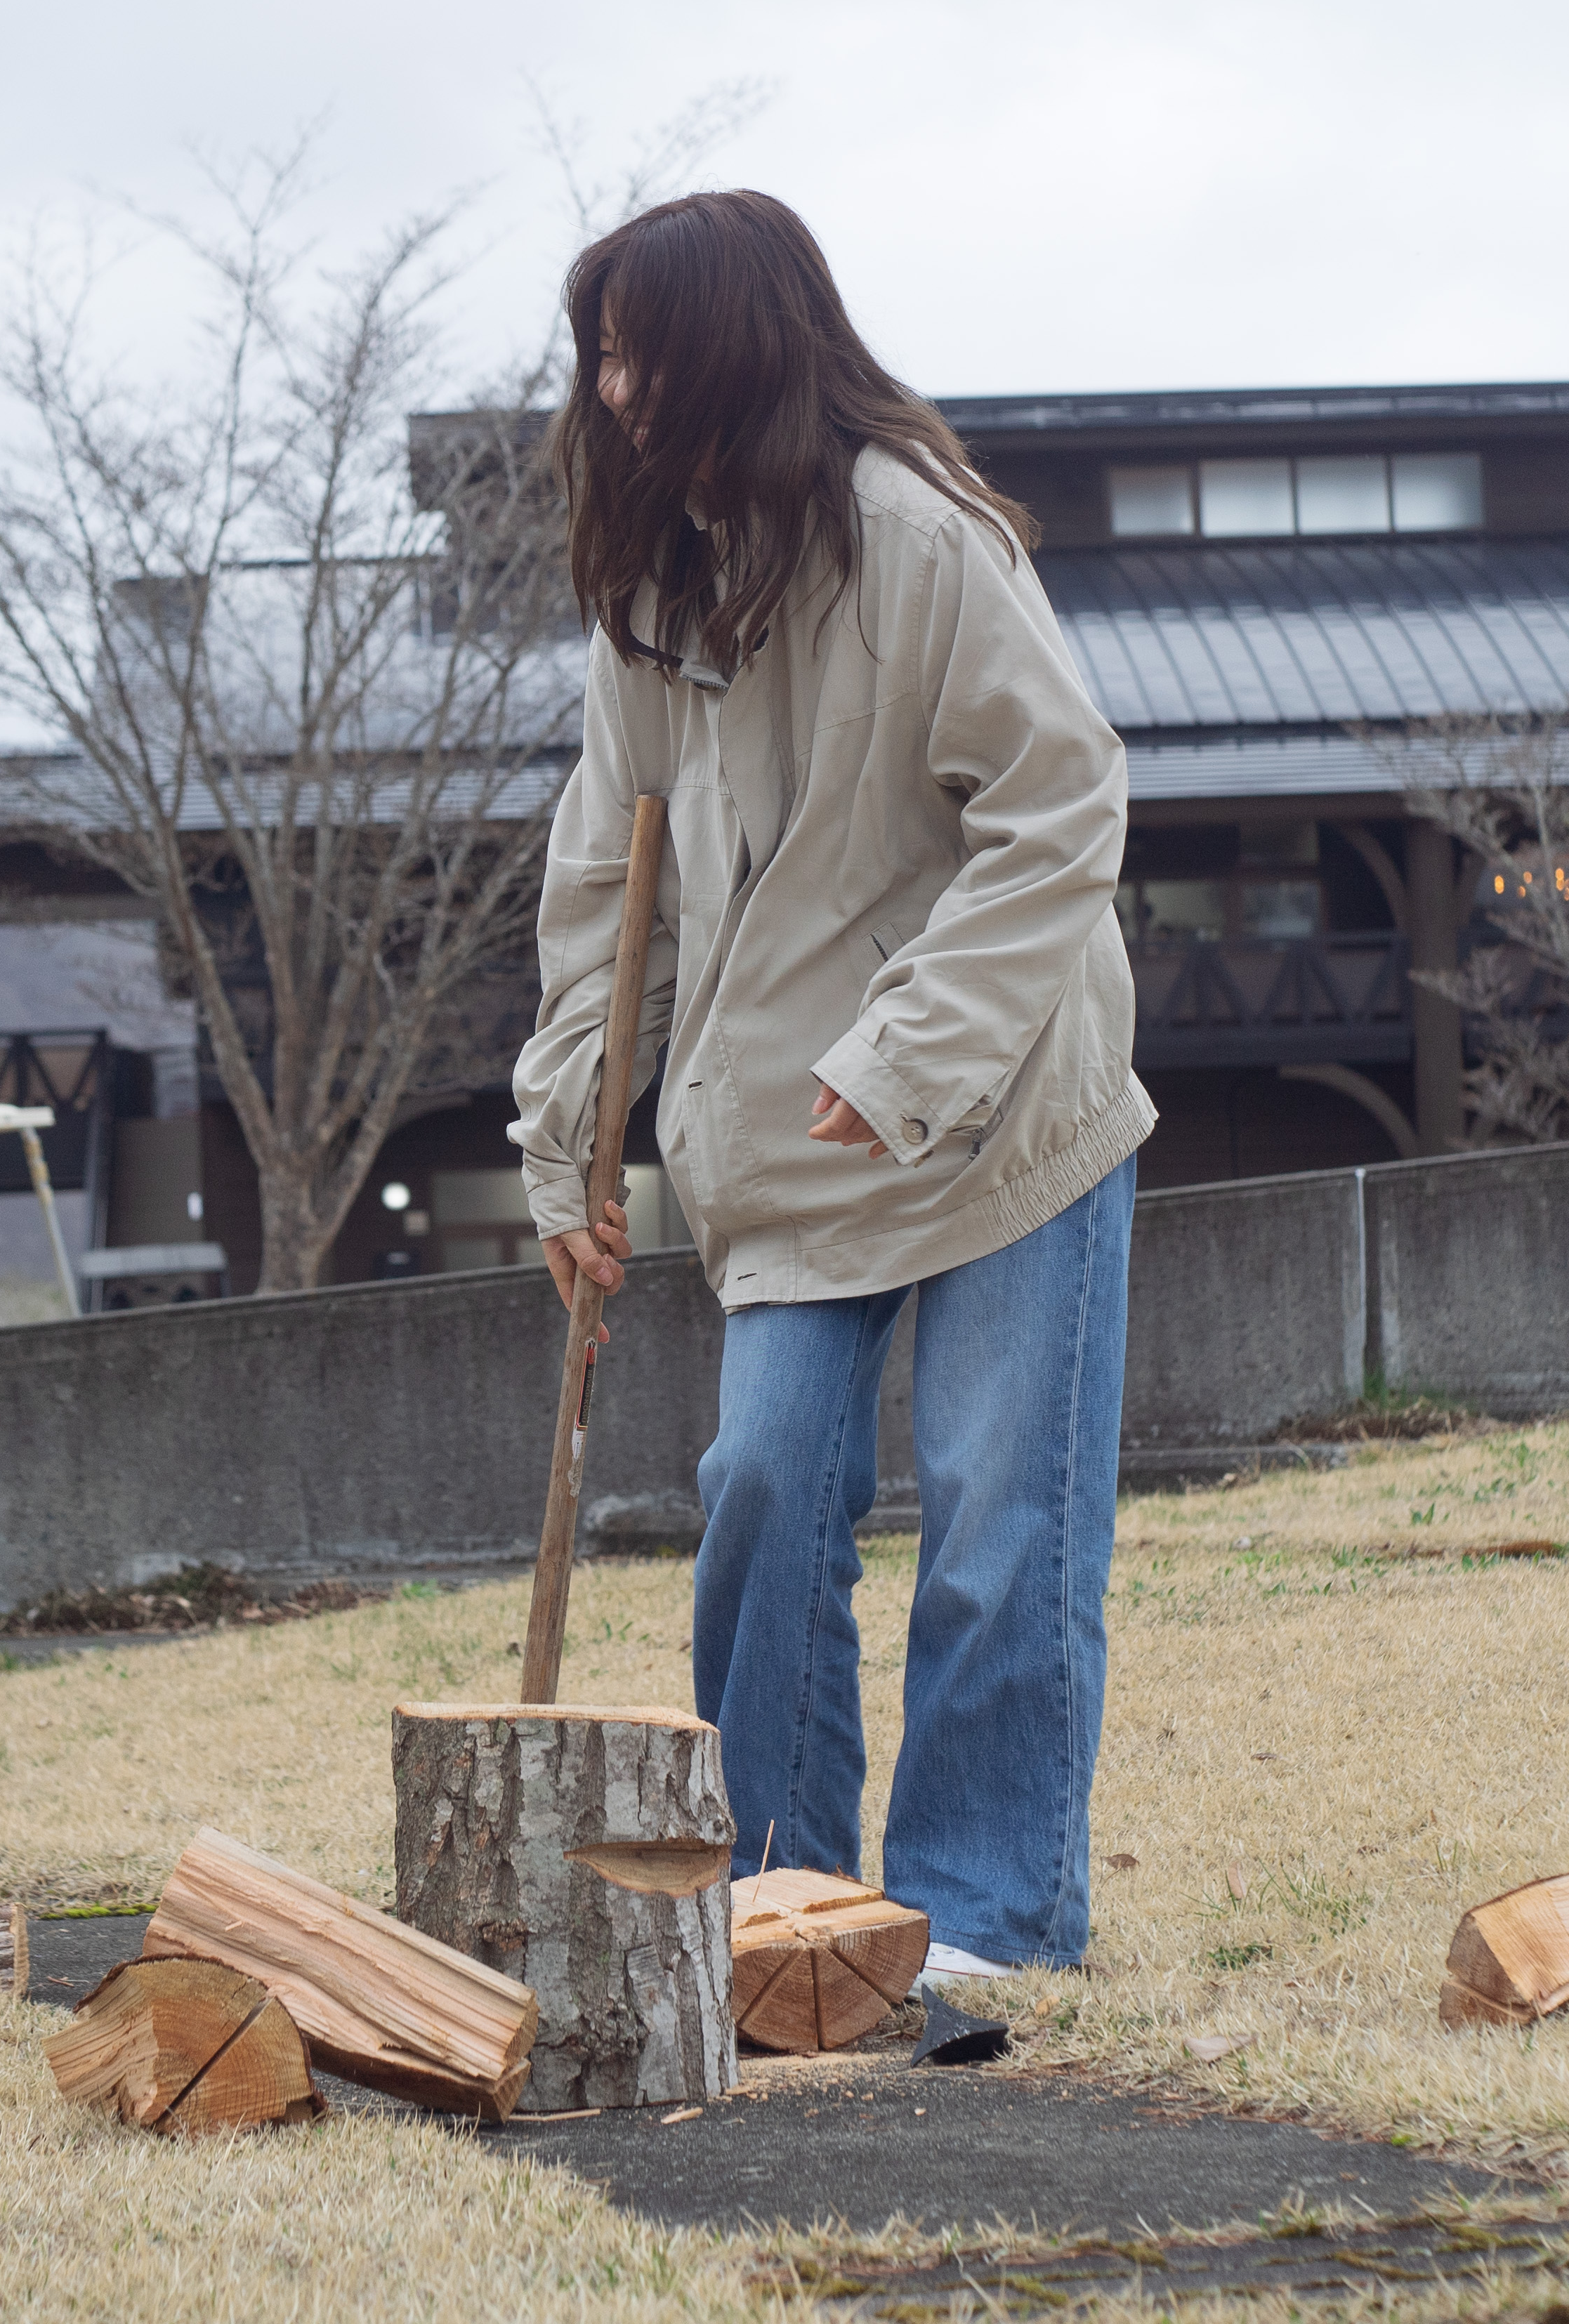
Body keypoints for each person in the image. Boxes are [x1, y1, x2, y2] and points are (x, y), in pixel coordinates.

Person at [511, 190, 1151, 2033]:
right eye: (600, 352)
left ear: (739, 344)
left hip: (1005, 1106)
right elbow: (602, 894)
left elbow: (1065, 805)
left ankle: (982, 1917)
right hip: (786, 1136)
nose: (616, 388)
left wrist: (907, 1057)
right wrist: (574, 1141)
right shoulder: (656, 590)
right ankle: (786, 1897)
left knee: (999, 1517)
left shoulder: (919, 541)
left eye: (643, 347)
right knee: (765, 1488)